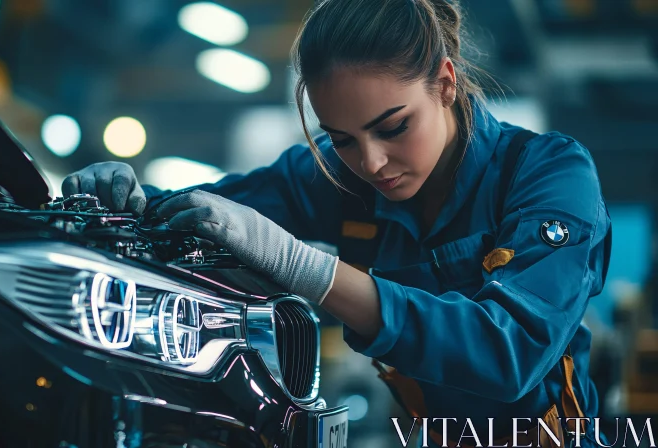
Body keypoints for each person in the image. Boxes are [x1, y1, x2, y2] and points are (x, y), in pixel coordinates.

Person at [62, 0, 612, 446]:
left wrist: (304, 266)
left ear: (444, 84)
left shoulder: (548, 174)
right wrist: (128, 200)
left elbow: (507, 352)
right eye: (342, 138)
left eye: (394, 127)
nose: (371, 164)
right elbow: (210, 215)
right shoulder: (334, 174)